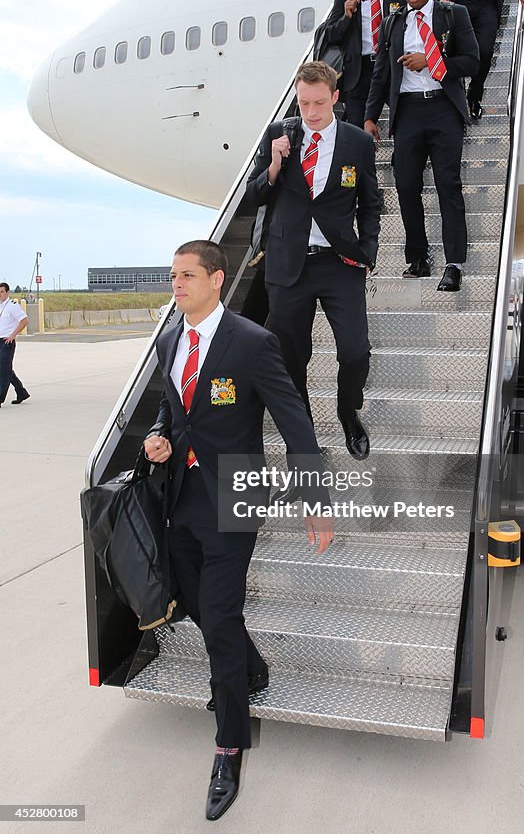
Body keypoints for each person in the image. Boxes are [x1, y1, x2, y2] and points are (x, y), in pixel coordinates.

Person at [144, 239, 333, 822]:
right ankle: (250, 666)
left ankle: (229, 745)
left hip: (236, 495)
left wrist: (315, 499)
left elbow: (294, 420)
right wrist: (160, 436)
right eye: (172, 275)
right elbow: (175, 410)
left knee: (220, 615)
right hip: (183, 495)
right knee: (196, 600)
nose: (176, 285)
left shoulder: (253, 343)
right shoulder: (169, 338)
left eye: (187, 276)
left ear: (217, 280)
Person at [247, 61, 380, 460]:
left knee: (355, 351)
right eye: (304, 103)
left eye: (320, 102)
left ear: (335, 97)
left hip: (340, 263)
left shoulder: (357, 142)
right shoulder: (279, 135)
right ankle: (303, 450)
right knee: (291, 360)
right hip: (288, 266)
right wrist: (274, 164)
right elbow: (254, 197)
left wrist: (368, 251)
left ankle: (348, 410)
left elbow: (371, 203)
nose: (312, 112)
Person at [364, 0, 479, 293]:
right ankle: (418, 257)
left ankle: (454, 264)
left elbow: (471, 61)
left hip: (443, 109)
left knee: (448, 184)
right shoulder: (392, 23)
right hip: (409, 113)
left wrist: (432, 61)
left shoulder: (453, 14)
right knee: (406, 186)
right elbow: (381, 74)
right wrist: (370, 116)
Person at [323, 0, 402, 127]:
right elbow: (331, 35)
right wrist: (346, 17)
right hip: (359, 71)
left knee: (402, 123)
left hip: (390, 66)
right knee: (357, 131)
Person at [0, 283, 30, 407]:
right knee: (6, 369)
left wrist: (13, 335)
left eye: (2, 291)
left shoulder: (12, 306)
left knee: (3, 371)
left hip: (7, 342)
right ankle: (21, 392)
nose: (0, 294)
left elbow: (24, 320)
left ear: (7, 292)